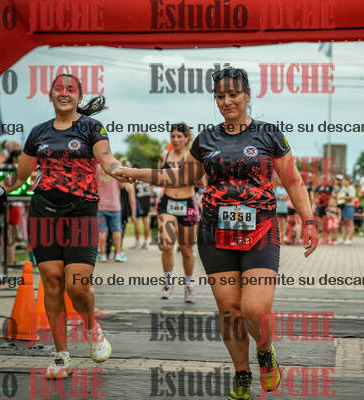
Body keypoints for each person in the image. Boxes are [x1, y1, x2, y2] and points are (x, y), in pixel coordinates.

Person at [119, 67, 318, 399]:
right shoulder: (206, 139)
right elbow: (180, 178)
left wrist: (308, 221)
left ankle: (264, 351)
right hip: (216, 233)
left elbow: (293, 180)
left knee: (254, 309)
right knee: (229, 310)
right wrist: (136, 173)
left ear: (248, 95)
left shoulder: (269, 134)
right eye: (220, 96)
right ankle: (242, 372)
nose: (227, 101)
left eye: (233, 95)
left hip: (261, 231)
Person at [0, 74, 127, 378]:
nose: (64, 93)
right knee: (51, 281)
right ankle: (61, 355)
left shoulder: (91, 127)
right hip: (43, 212)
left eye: (70, 90)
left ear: (79, 96)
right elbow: (21, 176)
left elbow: (107, 160)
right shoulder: (38, 132)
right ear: (50, 95)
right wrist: (0, 188)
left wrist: (122, 171)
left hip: (82, 212)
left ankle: (92, 327)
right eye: (58, 89)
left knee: (77, 285)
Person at [157, 123, 200, 302]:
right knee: (167, 246)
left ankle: (189, 286)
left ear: (186, 138)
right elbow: (159, 179)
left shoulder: (193, 157)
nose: (175, 140)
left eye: (179, 136)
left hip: (187, 204)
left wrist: (193, 176)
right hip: (167, 203)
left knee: (186, 250)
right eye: (173, 136)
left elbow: (202, 183)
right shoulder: (164, 156)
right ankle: (168, 284)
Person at [97, 165, 128, 262]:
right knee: (117, 230)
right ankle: (118, 254)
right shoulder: (116, 166)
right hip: (114, 204)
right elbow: (122, 186)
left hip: (101, 204)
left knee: (101, 231)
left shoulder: (97, 167)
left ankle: (102, 255)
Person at [132, 165, 152, 249]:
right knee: (146, 222)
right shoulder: (145, 178)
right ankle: (146, 242)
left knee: (137, 223)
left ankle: (137, 243)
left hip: (138, 202)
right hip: (146, 202)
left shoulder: (135, 179)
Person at [314, 175, 334, 245]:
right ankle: (322, 238)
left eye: (325, 179)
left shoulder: (330, 187)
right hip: (320, 207)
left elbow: (332, 196)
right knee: (321, 224)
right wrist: (316, 201)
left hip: (327, 207)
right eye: (323, 179)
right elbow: (314, 195)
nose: (324, 180)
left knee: (326, 224)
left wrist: (330, 206)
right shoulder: (319, 187)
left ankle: (327, 239)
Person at [337, 175, 356, 244]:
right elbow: (339, 195)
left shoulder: (351, 188)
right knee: (344, 223)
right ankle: (343, 239)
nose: (344, 182)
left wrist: (342, 197)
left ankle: (350, 239)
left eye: (345, 180)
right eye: (343, 181)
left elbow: (351, 197)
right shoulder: (343, 188)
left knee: (350, 222)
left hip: (349, 207)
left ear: (348, 181)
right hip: (343, 206)